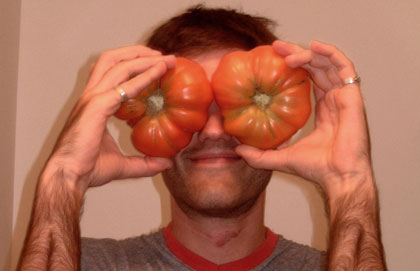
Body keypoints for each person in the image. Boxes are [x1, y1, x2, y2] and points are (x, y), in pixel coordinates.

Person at [17, 5, 386, 271]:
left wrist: (350, 182)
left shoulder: (337, 263)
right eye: (186, 107)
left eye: (235, 106)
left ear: (281, 129)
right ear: (143, 115)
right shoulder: (86, 264)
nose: (212, 131)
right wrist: (64, 177)